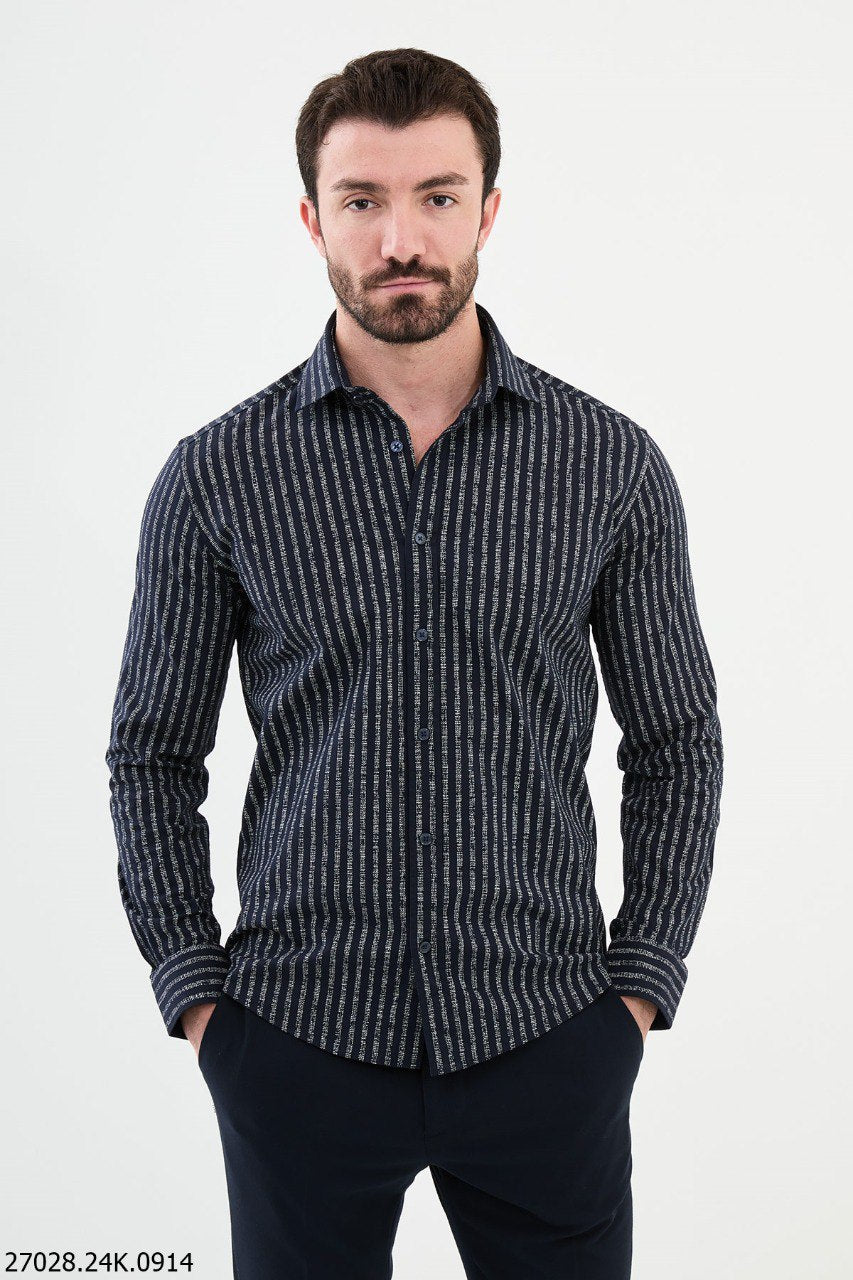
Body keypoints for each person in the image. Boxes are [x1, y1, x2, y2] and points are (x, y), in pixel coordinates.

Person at [105, 46, 724, 1280]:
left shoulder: (607, 466)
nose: (401, 240)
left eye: (438, 196)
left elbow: (676, 742)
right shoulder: (217, 475)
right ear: (311, 219)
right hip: (294, 1041)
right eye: (362, 200)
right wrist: (197, 996)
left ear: (487, 209)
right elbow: (151, 752)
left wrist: (638, 986)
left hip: (548, 1033)